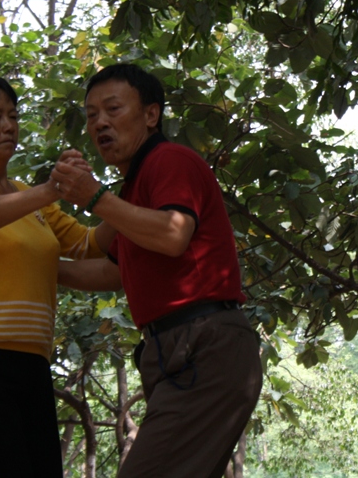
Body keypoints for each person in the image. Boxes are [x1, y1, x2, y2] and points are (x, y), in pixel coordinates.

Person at [51, 63, 262, 478]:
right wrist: (36, 263)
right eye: (92, 115)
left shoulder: (170, 161)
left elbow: (172, 234)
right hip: (176, 352)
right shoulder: (133, 188)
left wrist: (94, 196)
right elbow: (113, 272)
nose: (100, 123)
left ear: (151, 114)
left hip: (206, 344)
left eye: (113, 109)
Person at [0, 74, 113, 478]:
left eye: (13, 115)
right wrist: (52, 188)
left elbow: (89, 244)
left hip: (32, 362)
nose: (10, 125)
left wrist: (118, 192)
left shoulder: (30, 198)